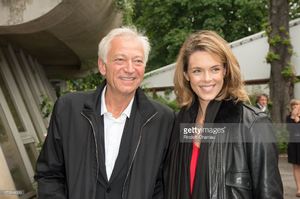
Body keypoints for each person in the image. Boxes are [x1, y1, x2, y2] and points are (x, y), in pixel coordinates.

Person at [35, 26, 175, 199]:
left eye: (138, 61)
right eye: (120, 60)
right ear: (102, 66)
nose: (130, 69)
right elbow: (49, 174)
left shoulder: (163, 119)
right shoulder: (68, 109)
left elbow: (164, 184)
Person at [165, 30, 283, 199]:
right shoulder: (179, 122)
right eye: (197, 71)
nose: (207, 79)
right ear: (186, 75)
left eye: (214, 69)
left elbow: (269, 194)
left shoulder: (255, 124)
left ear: (225, 71)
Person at [286, 99, 300, 197]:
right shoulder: (288, 118)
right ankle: (299, 188)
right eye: (293, 105)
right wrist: (293, 117)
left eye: (297, 105)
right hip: (294, 144)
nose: (295, 107)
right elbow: (289, 129)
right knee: (296, 166)